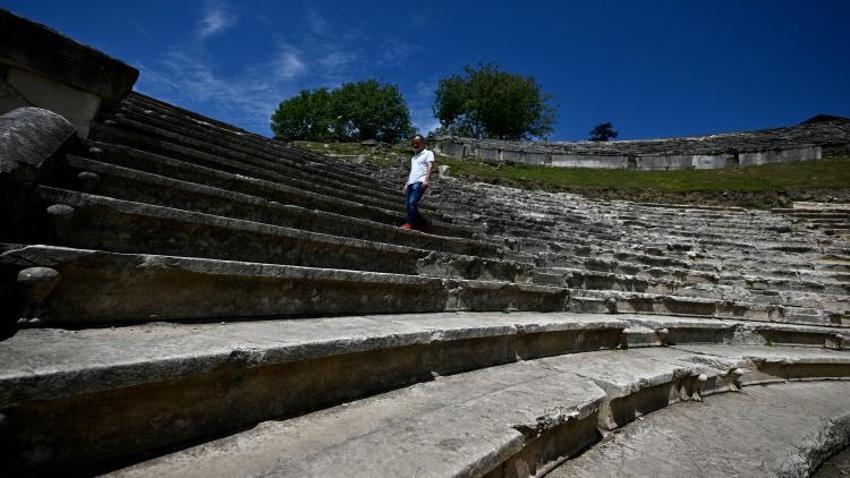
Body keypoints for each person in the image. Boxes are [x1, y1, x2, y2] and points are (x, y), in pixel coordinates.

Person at [400, 134, 434, 231]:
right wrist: (406, 183)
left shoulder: (428, 153)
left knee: (412, 203)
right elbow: (412, 171)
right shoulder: (413, 158)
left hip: (420, 181)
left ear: (423, 143)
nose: (415, 145)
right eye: (413, 143)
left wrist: (426, 180)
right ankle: (424, 223)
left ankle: (410, 224)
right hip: (411, 182)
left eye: (417, 143)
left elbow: (430, 167)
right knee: (408, 205)